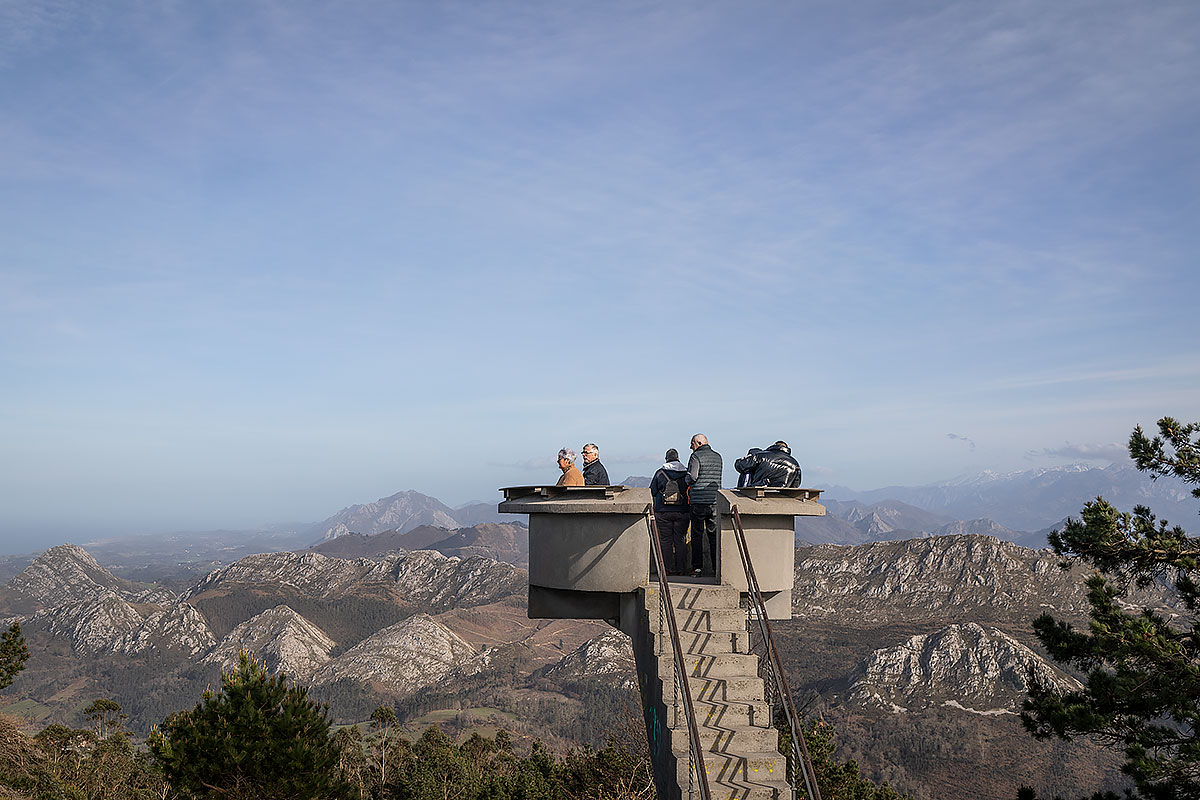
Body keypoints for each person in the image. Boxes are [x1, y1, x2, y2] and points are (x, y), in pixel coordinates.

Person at [684, 433, 722, 577]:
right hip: (714, 501)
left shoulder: (696, 457)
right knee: (713, 536)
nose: (690, 447)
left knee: (697, 535)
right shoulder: (718, 457)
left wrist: (686, 479)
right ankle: (716, 568)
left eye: (692, 444)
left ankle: (697, 568)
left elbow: (693, 476)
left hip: (698, 501)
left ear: (698, 443)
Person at [649, 448, 690, 574]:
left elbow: (653, 491)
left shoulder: (660, 473)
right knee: (680, 539)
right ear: (678, 459)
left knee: (666, 540)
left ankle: (666, 569)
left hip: (663, 511)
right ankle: (681, 569)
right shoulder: (685, 472)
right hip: (682, 511)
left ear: (666, 459)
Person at [734, 441, 802, 488]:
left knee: (747, 469)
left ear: (774, 445)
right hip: (783, 494)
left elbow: (740, 465)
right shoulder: (795, 463)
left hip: (761, 490)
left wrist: (751, 455)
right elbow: (796, 484)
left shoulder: (762, 455)